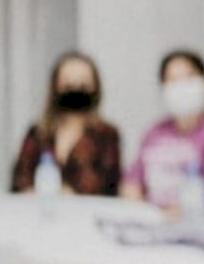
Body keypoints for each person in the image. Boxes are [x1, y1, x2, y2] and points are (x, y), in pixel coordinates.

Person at [120, 49, 204, 210]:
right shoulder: (154, 132)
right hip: (152, 221)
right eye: (172, 80)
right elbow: (132, 183)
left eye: (188, 77)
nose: (181, 86)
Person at [11, 51, 121, 196]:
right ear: (56, 85)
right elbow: (19, 181)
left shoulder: (106, 134)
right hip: (37, 212)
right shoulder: (38, 132)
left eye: (83, 83)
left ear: (95, 87)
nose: (75, 86)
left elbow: (107, 186)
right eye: (68, 82)